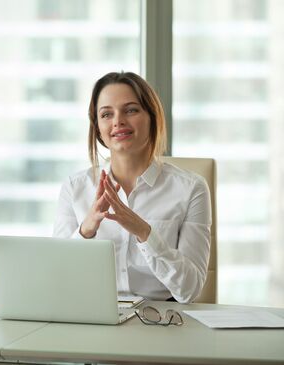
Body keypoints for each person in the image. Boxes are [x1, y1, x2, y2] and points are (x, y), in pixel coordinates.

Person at [53, 71, 212, 303]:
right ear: (97, 127)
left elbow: (189, 289)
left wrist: (145, 233)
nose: (118, 121)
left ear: (152, 117)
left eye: (131, 110)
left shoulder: (191, 189)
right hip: (91, 317)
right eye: (106, 114)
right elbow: (57, 279)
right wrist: (86, 230)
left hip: (161, 320)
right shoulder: (74, 188)